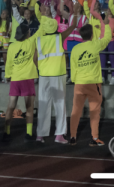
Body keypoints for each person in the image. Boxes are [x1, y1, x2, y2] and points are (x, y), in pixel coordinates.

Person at [2, 13, 59, 142]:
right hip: (27, 79)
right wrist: (44, 16)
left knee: (11, 106)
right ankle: (28, 133)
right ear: (27, 34)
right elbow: (42, 29)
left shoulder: (11, 46)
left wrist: (8, 76)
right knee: (29, 107)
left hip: (15, 79)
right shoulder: (31, 41)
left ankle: (6, 131)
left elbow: (9, 63)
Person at [68, 21, 114, 147]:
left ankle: (72, 136)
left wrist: (75, 80)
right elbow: (107, 38)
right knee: (94, 112)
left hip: (79, 84)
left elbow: (73, 67)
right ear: (92, 35)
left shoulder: (75, 49)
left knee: (76, 110)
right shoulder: (95, 45)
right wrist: (106, 25)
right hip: (93, 83)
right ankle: (94, 138)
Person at [35, 14, 79, 144]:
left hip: (44, 76)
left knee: (43, 104)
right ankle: (59, 135)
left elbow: (34, 59)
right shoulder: (59, 37)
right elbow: (73, 26)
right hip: (58, 75)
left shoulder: (39, 40)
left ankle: (40, 135)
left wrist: (42, 68)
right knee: (60, 105)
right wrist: (75, 13)